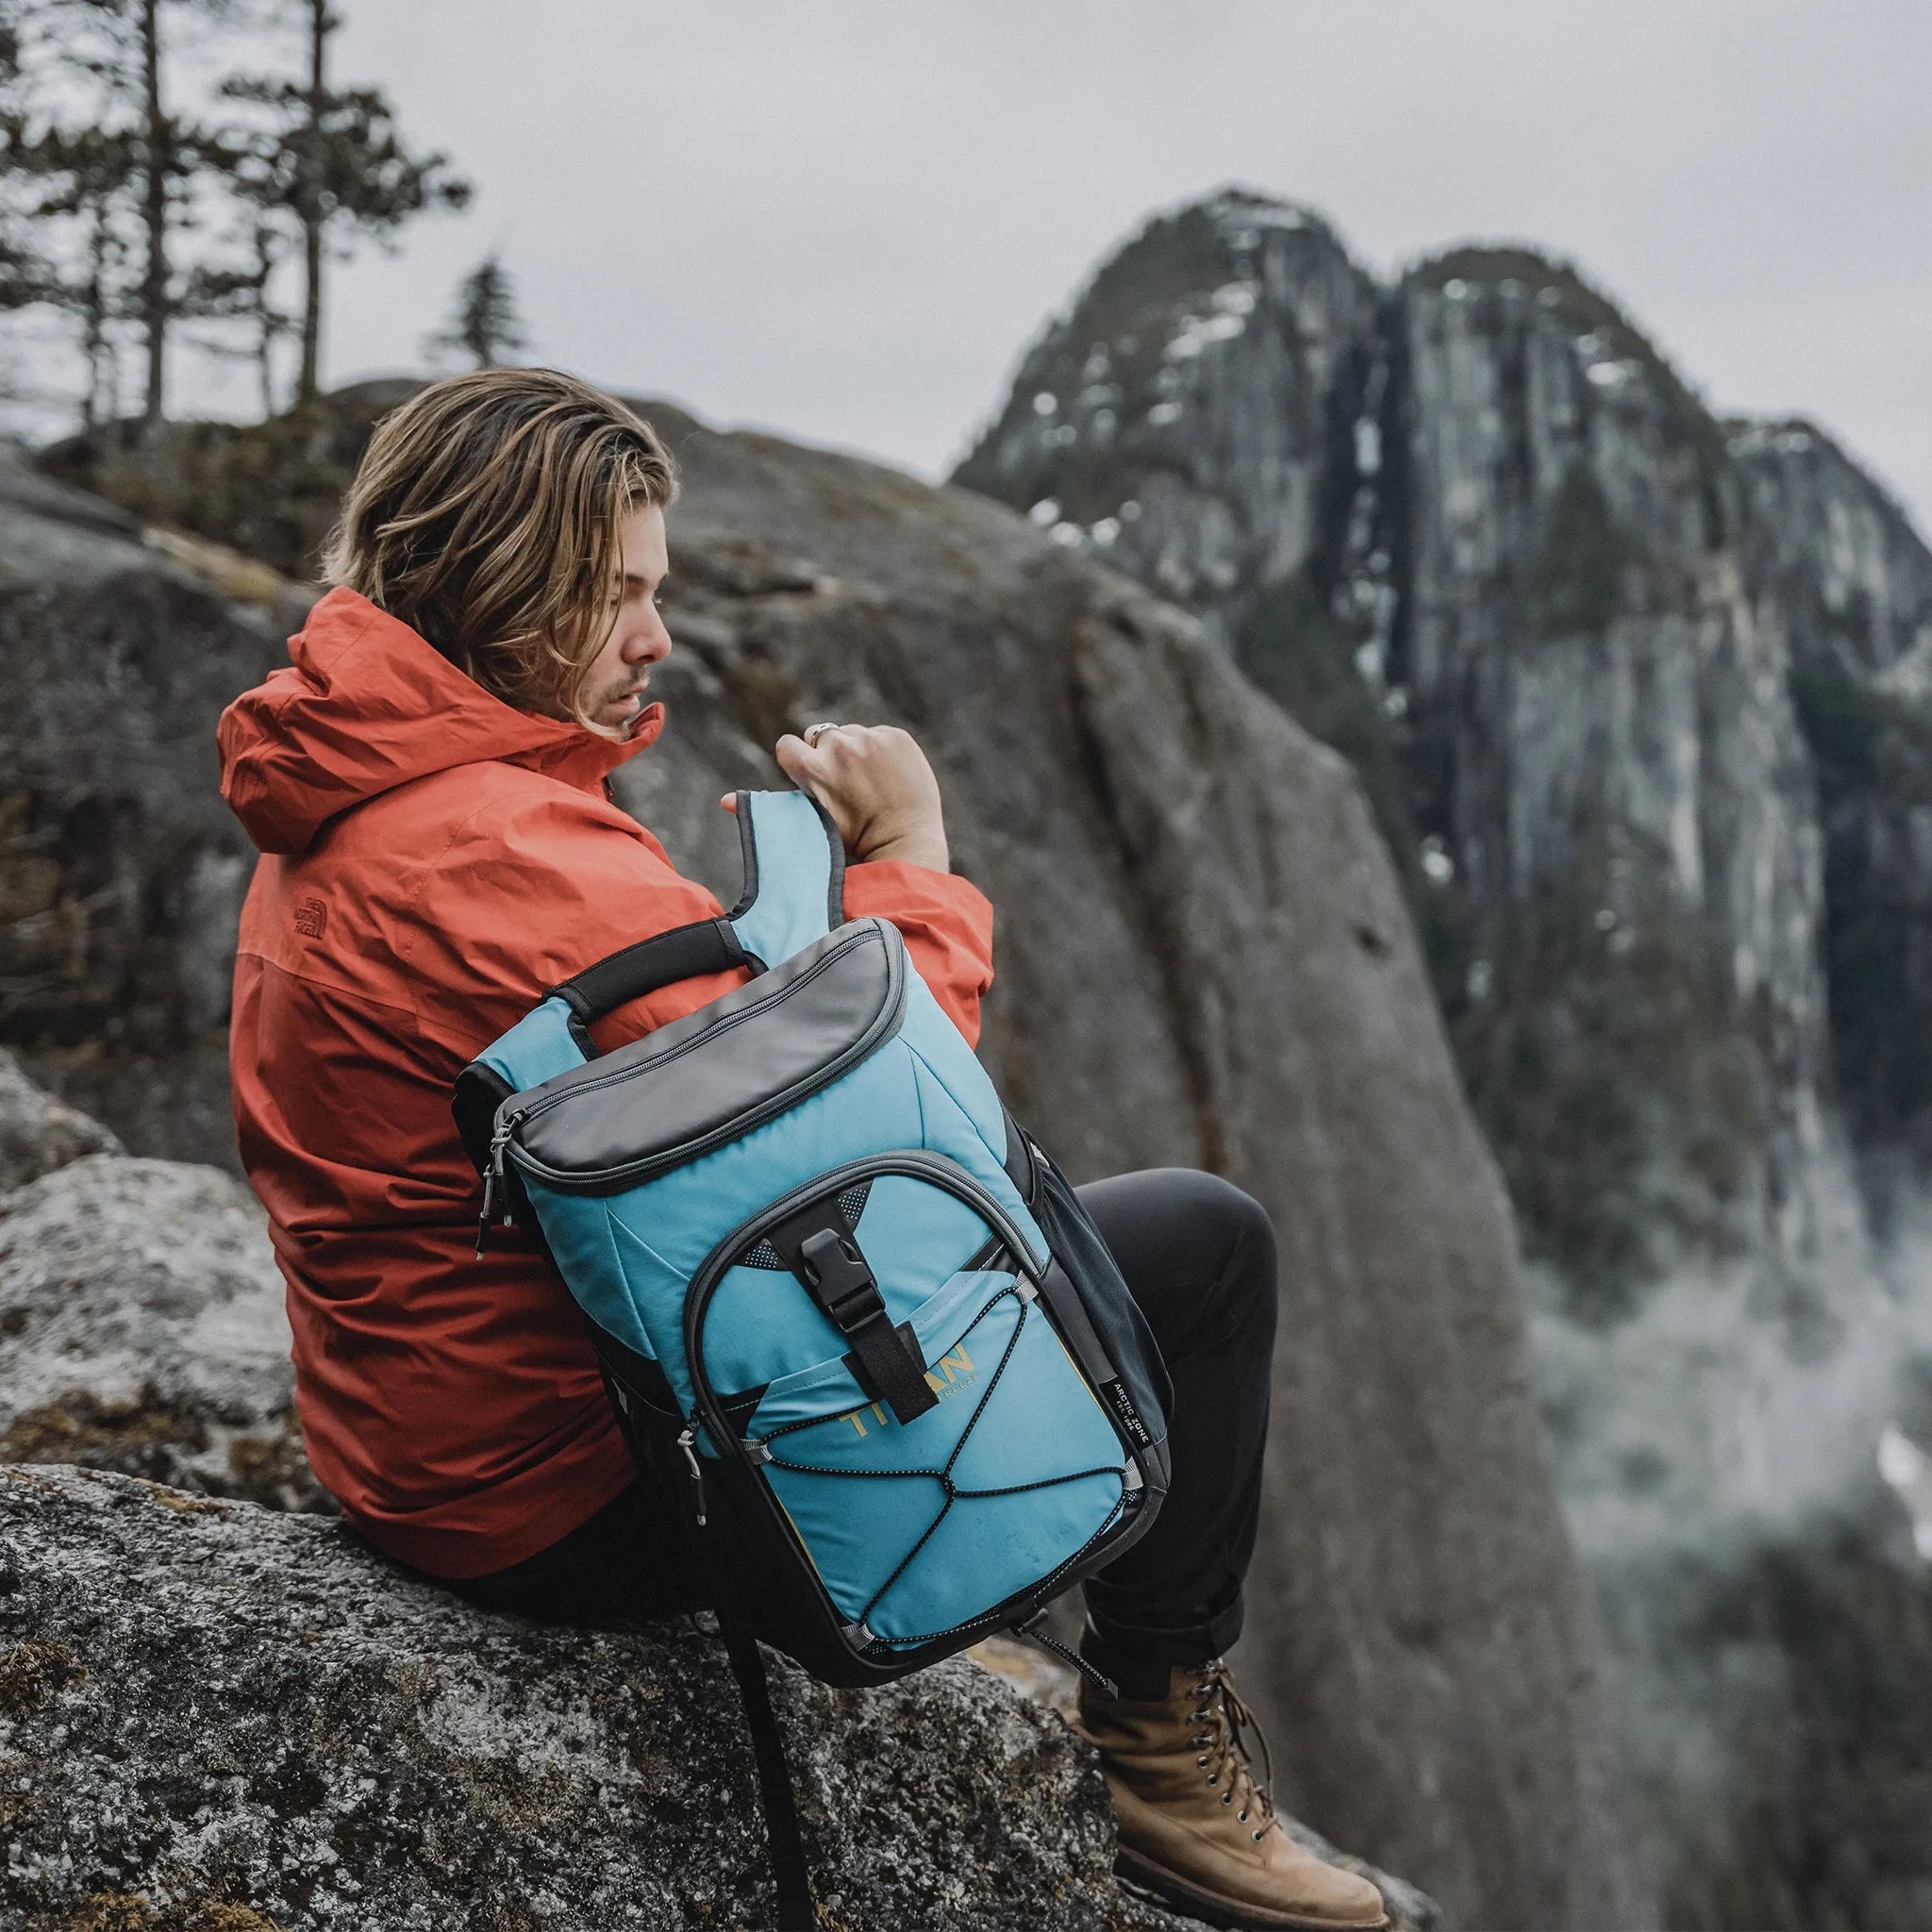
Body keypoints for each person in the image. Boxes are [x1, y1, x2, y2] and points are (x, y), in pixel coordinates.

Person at [218, 367, 1387, 1932]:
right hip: (564, 1499)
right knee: (1198, 1247)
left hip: (424, 1447)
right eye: (620, 593)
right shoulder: (487, 854)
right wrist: (912, 862)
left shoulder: (366, 790)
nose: (654, 636)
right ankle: (1161, 1757)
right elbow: (869, 1130)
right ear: (510, 587)